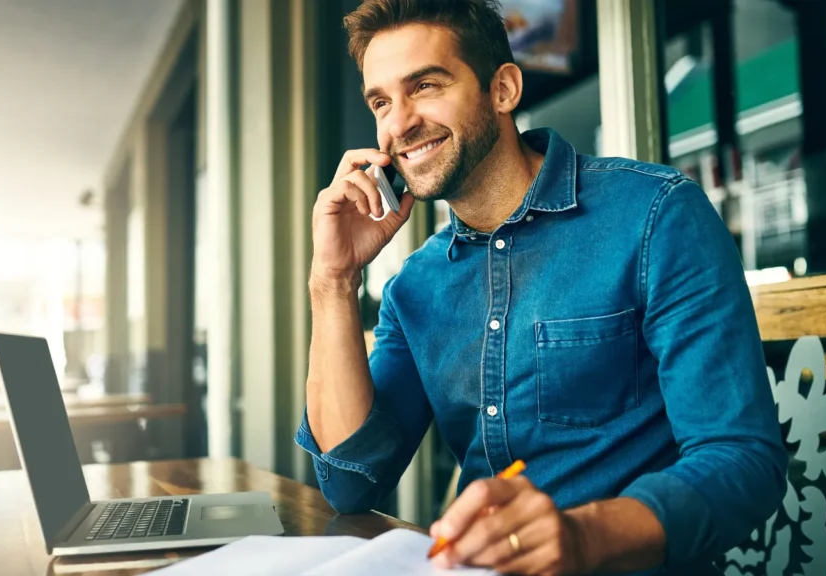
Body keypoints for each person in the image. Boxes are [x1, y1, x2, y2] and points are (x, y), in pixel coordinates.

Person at [295, 1, 788, 574]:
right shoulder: (417, 287)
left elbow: (743, 459)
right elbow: (351, 483)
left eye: (425, 86)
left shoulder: (655, 216)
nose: (398, 123)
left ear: (503, 89)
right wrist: (332, 281)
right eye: (380, 101)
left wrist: (580, 538)